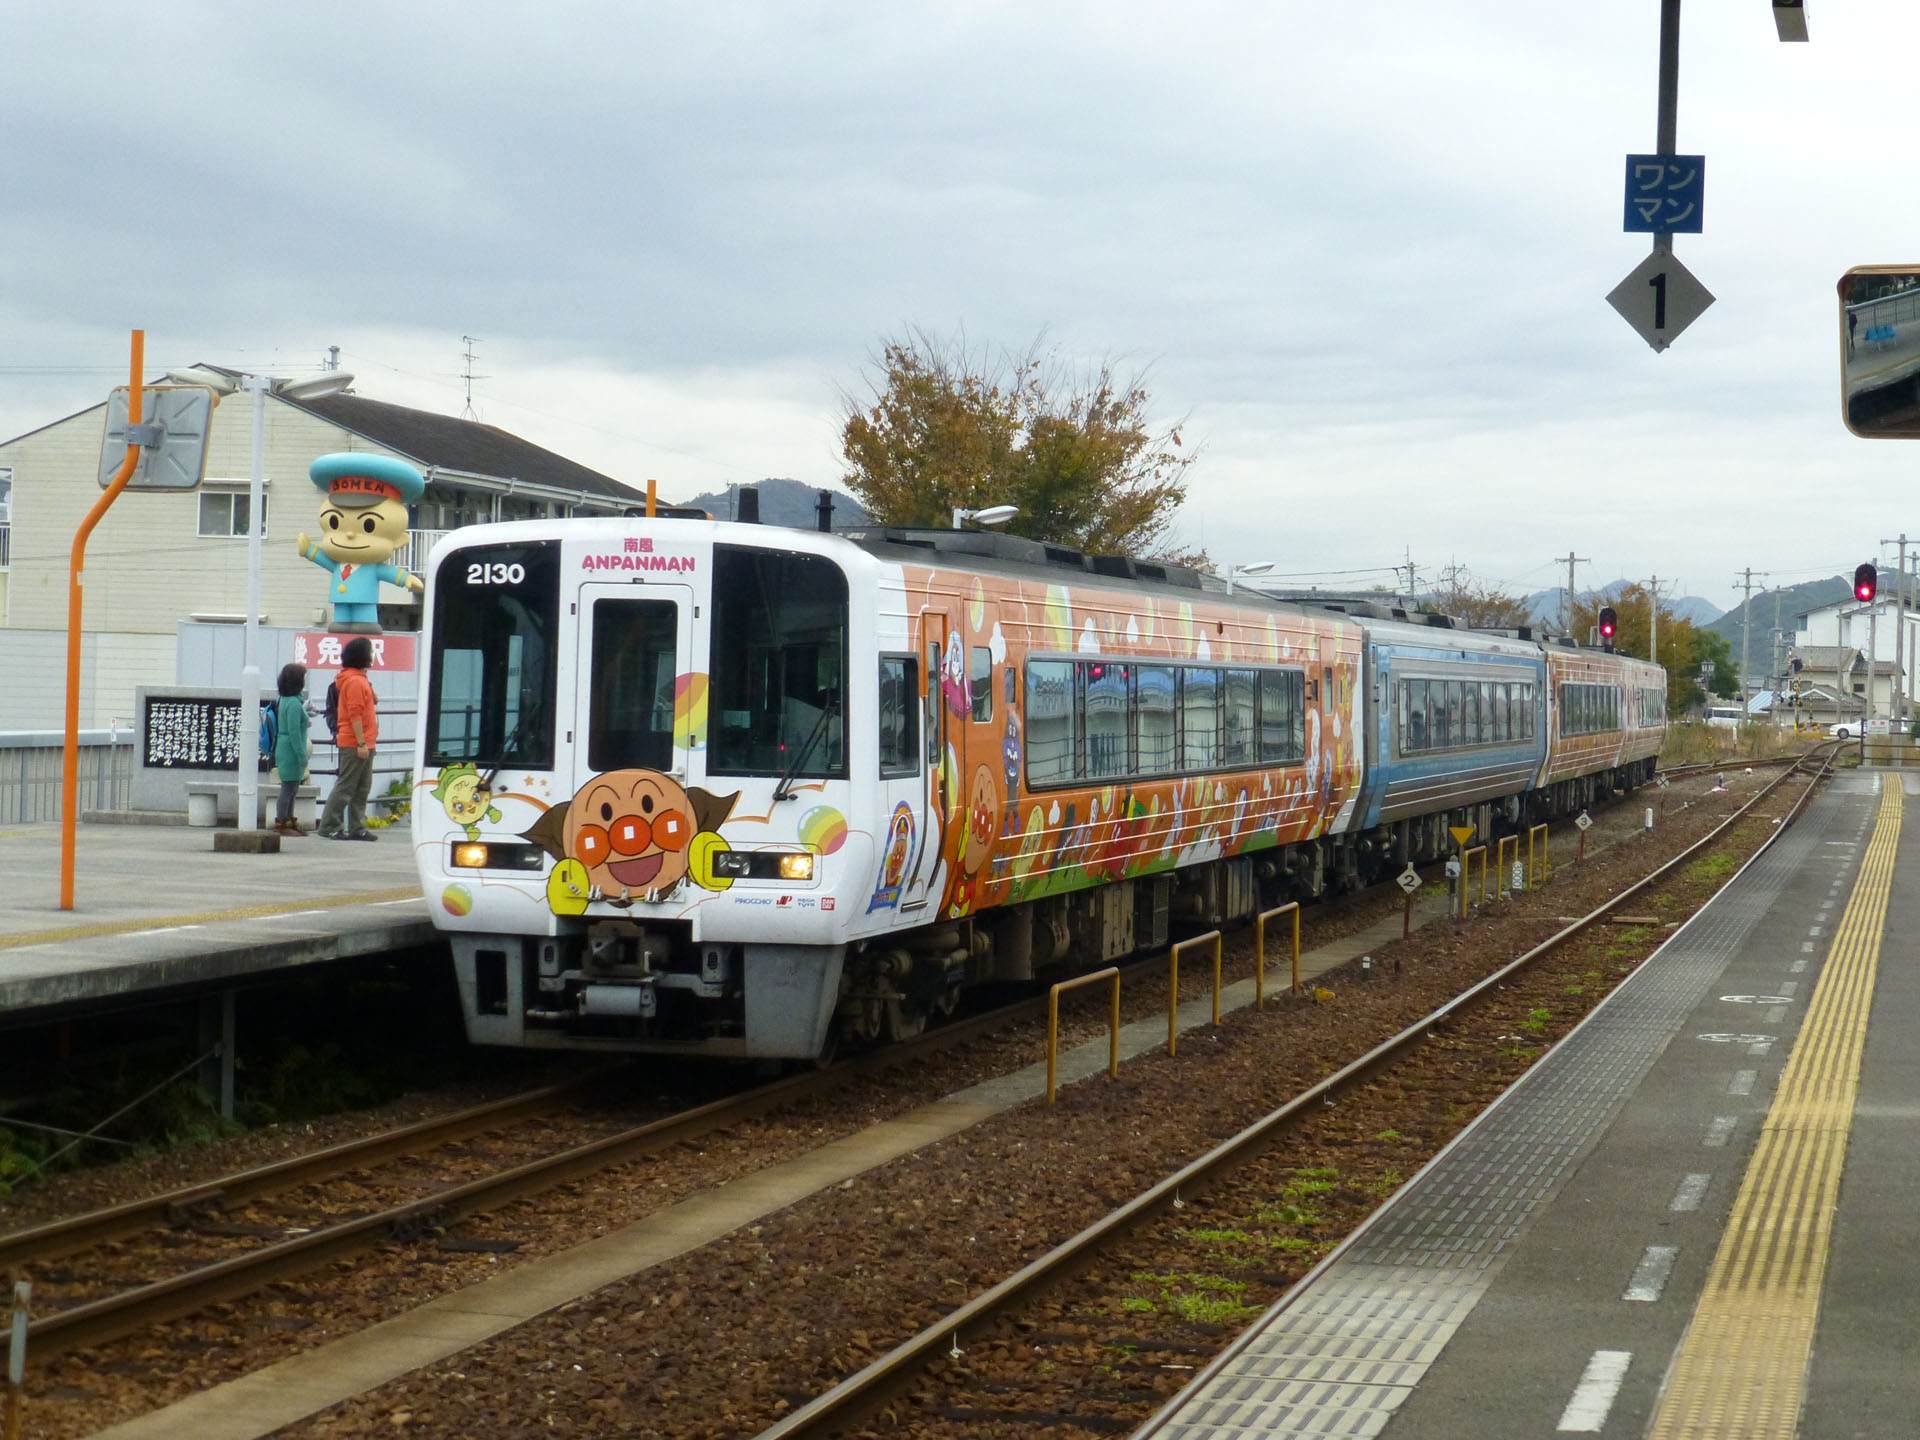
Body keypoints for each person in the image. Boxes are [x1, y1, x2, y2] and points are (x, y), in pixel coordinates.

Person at [317, 637, 379, 840]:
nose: (372, 656)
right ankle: (329, 826)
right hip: (355, 742)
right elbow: (355, 714)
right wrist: (361, 742)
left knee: (362, 787)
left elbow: (373, 700)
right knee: (346, 786)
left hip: (365, 741)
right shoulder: (353, 681)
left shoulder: (357, 678)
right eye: (369, 652)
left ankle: (357, 827)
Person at [271, 663, 312, 836]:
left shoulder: (287, 700)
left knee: (292, 787)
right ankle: (282, 822)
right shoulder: (294, 703)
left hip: (286, 747)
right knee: (288, 789)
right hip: (291, 750)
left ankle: (288, 820)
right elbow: (294, 732)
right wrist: (302, 757)